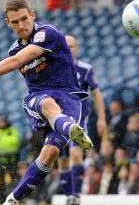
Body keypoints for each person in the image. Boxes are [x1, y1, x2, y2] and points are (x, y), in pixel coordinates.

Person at [0, 0, 93, 205]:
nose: (21, 25)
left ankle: (13, 199)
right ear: (7, 23)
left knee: (51, 153)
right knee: (47, 103)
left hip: (70, 99)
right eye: (15, 21)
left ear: (32, 16)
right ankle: (71, 129)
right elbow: (17, 58)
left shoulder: (48, 33)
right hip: (38, 99)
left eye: (24, 19)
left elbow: (19, 60)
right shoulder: (14, 49)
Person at [57, 35, 106, 204]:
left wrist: (101, 118)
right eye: (66, 46)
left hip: (79, 120)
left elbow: (97, 93)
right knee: (62, 160)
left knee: (76, 155)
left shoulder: (85, 69)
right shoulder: (53, 70)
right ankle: (68, 195)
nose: (69, 49)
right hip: (58, 121)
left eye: (72, 46)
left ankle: (76, 195)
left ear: (76, 48)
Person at [0, 113, 21, 204]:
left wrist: (4, 143)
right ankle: (2, 201)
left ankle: (17, 199)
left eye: (2, 121)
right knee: (1, 183)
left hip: (12, 161)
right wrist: (7, 143)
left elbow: (15, 142)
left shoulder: (12, 130)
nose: (1, 123)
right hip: (0, 162)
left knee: (15, 181)